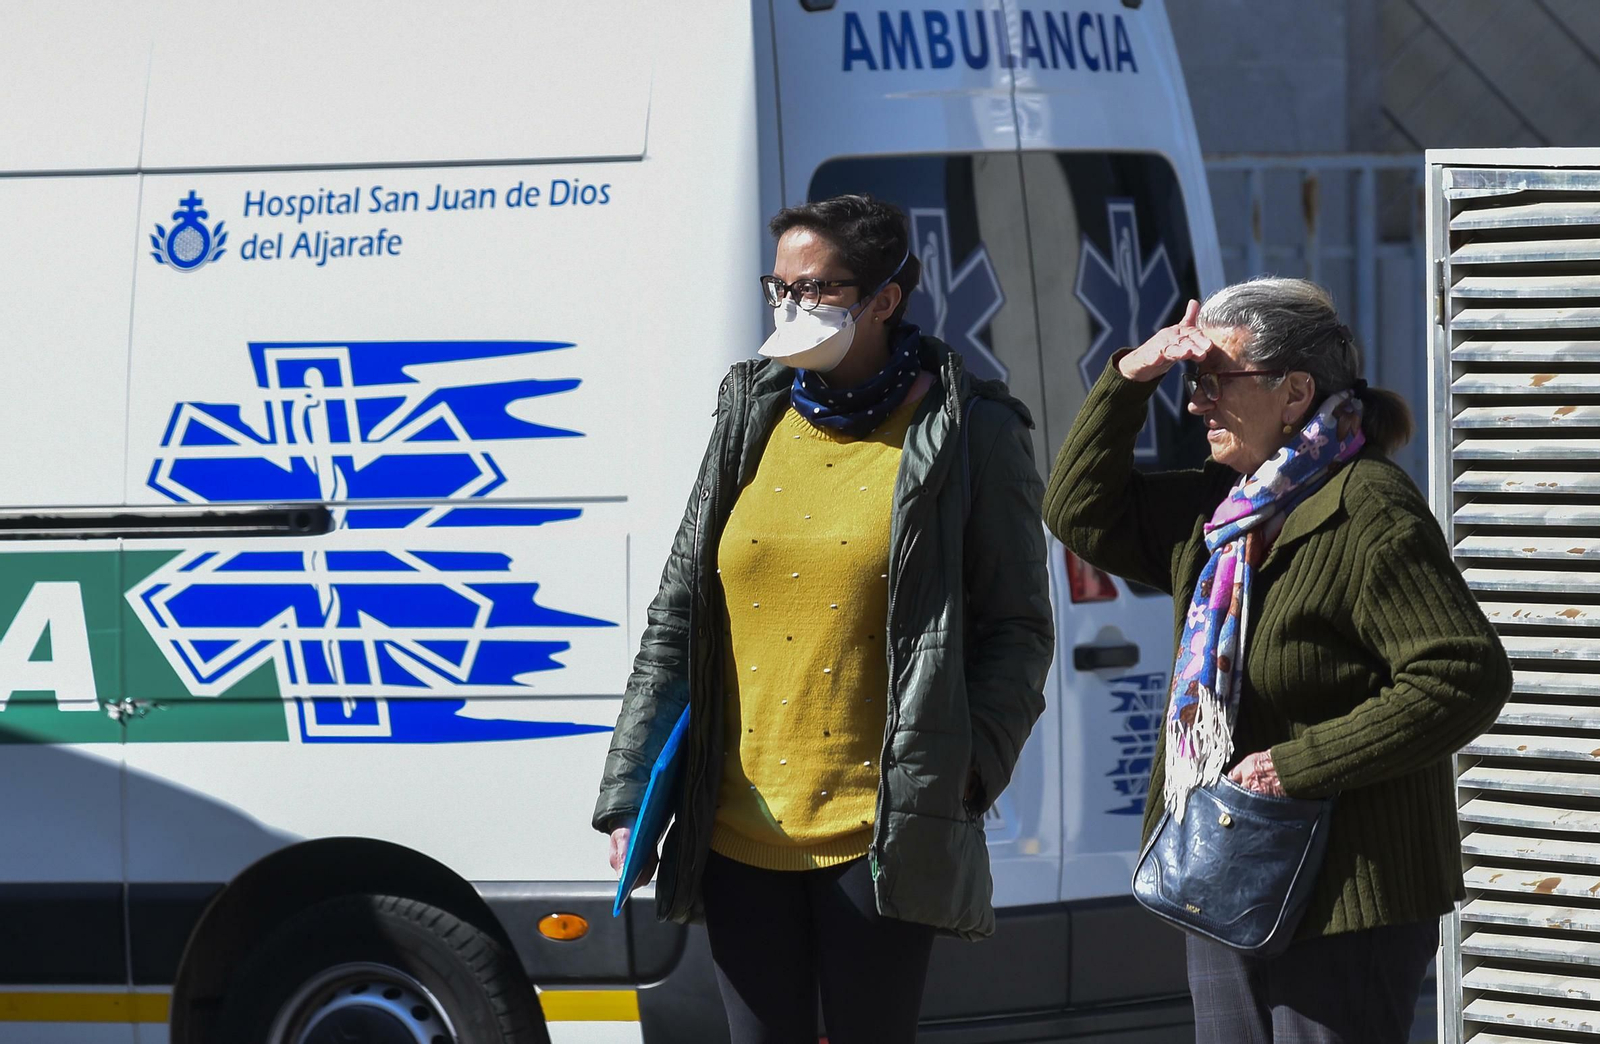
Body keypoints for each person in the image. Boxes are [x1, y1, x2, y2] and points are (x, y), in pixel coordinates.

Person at [593, 194, 1053, 1044]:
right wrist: (628, 798)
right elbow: (679, 615)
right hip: (736, 828)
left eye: (817, 288)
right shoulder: (750, 411)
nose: (792, 306)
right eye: (781, 287)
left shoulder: (969, 430)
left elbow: (1019, 630)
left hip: (874, 832)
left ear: (884, 299)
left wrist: (962, 771)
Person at [1043, 277, 1510, 1044]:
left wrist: (1296, 765)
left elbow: (1462, 676)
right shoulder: (1223, 510)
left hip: (1348, 894)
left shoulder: (1368, 508)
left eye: (1214, 380)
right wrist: (1133, 375)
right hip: (1228, 873)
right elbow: (1077, 509)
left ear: (1295, 392)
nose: (1195, 402)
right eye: (1192, 382)